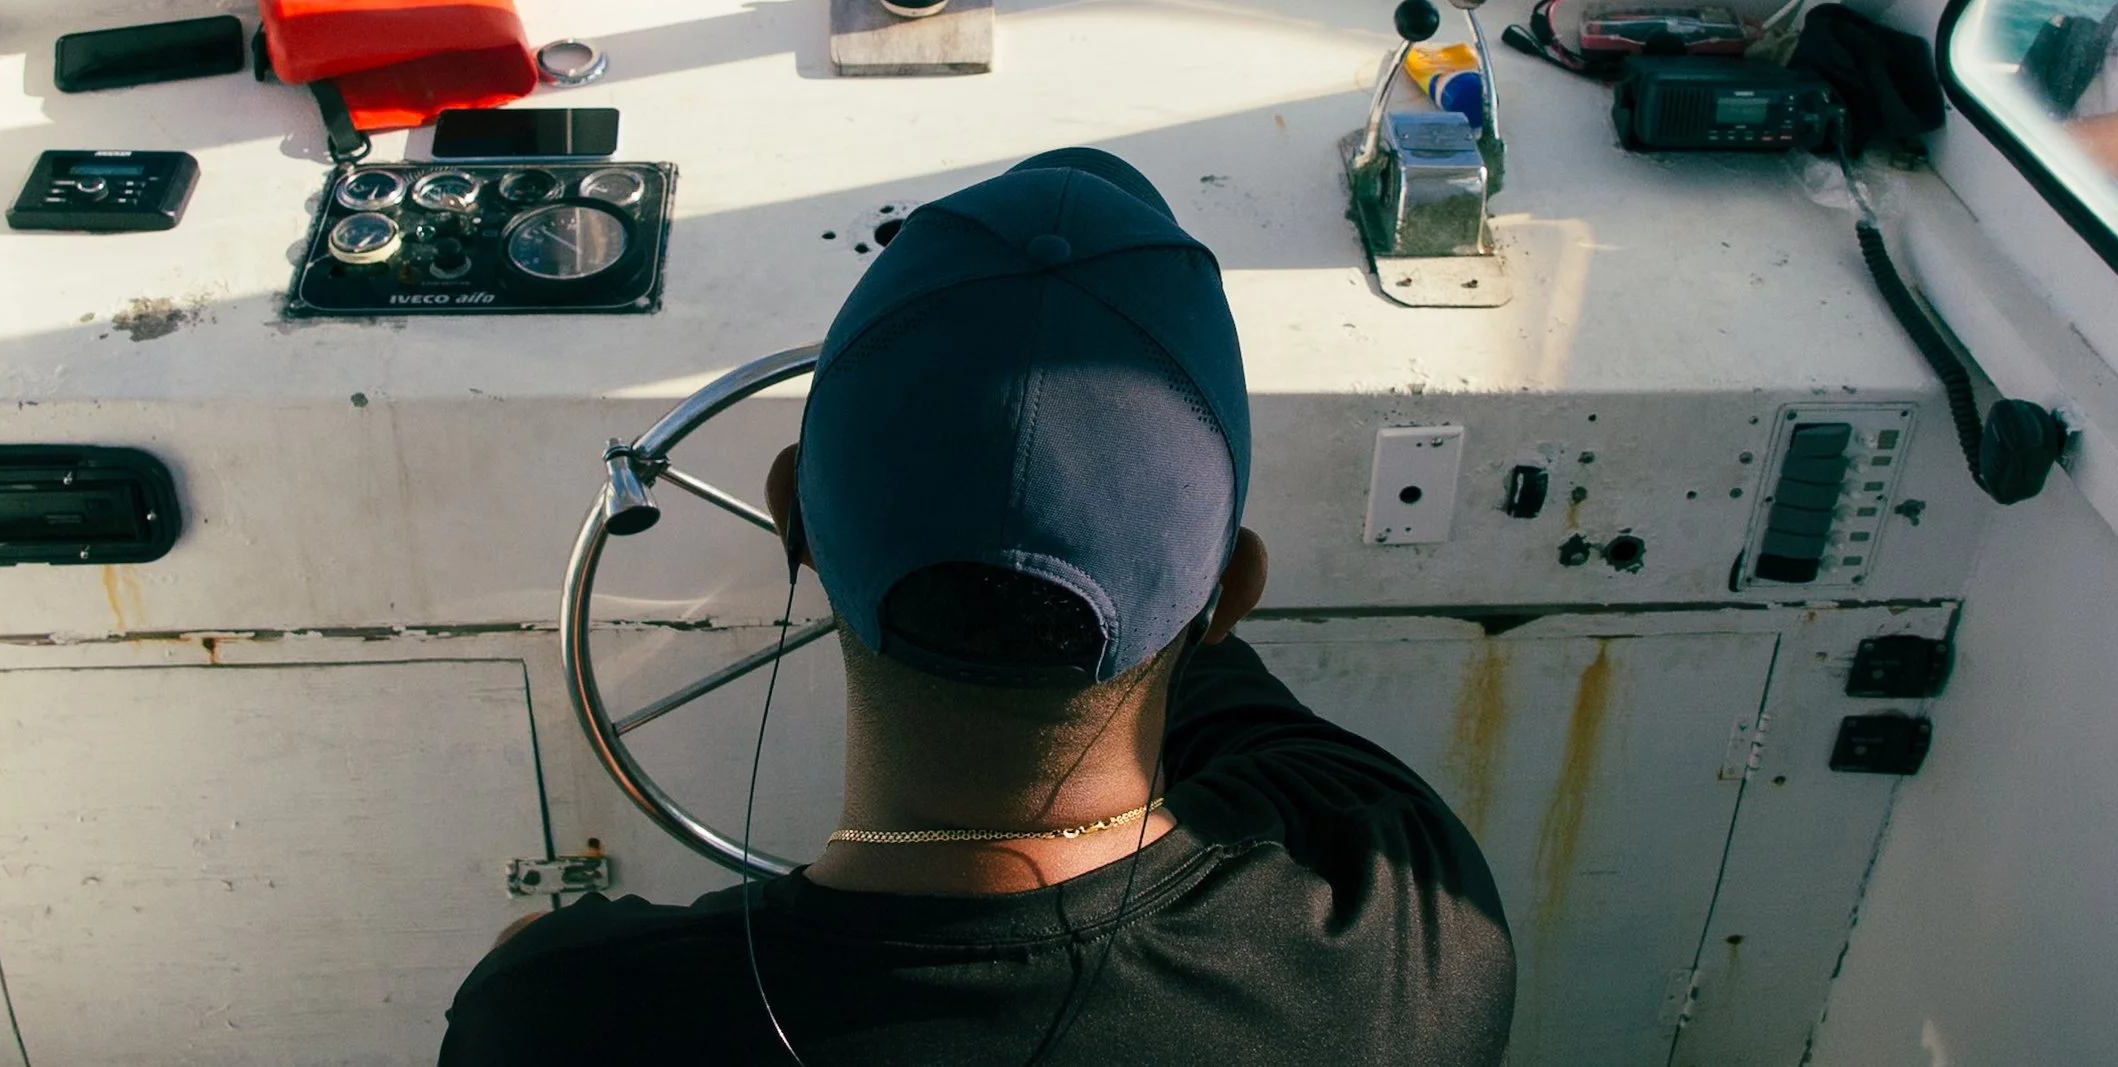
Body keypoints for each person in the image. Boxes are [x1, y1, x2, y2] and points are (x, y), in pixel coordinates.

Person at [442, 148, 1516, 1065]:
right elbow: (1234, 703)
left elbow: (525, 963)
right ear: (1229, 590)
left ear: (790, 522)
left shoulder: (551, 1021)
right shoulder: (1410, 924)